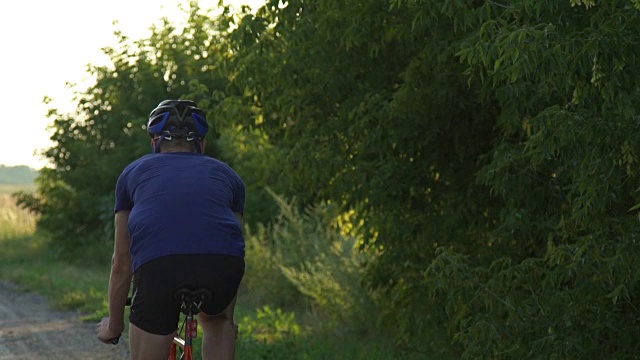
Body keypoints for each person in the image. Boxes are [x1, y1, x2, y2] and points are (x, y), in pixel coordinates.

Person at [96, 99, 246, 360]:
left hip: (160, 266)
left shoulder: (134, 173)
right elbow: (233, 239)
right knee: (219, 322)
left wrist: (114, 325)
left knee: (152, 326)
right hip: (222, 264)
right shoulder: (228, 175)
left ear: (155, 141)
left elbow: (122, 262)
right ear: (202, 143)